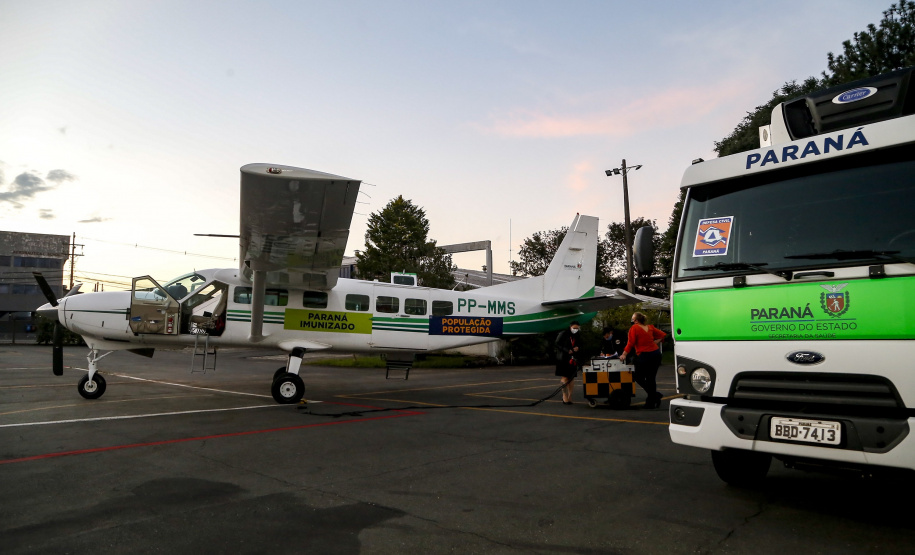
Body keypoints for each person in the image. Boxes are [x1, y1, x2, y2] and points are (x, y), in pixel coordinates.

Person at [620, 312, 667, 409]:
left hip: (645, 355)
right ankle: (651, 401)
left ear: (636, 320)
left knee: (637, 376)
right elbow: (662, 335)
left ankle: (654, 395)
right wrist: (655, 342)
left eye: (633, 319)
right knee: (651, 378)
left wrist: (624, 354)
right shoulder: (650, 327)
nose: (632, 320)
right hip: (656, 354)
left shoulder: (634, 328)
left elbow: (631, 342)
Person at [554, 321, 584, 405]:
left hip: (573, 358)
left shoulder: (577, 335)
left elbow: (581, 344)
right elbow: (557, 344)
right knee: (565, 377)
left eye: (577, 328)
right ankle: (564, 395)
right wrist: (567, 350)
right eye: (574, 328)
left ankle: (570, 396)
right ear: (570, 327)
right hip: (563, 358)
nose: (575, 330)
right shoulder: (563, 333)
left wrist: (578, 348)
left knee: (571, 377)